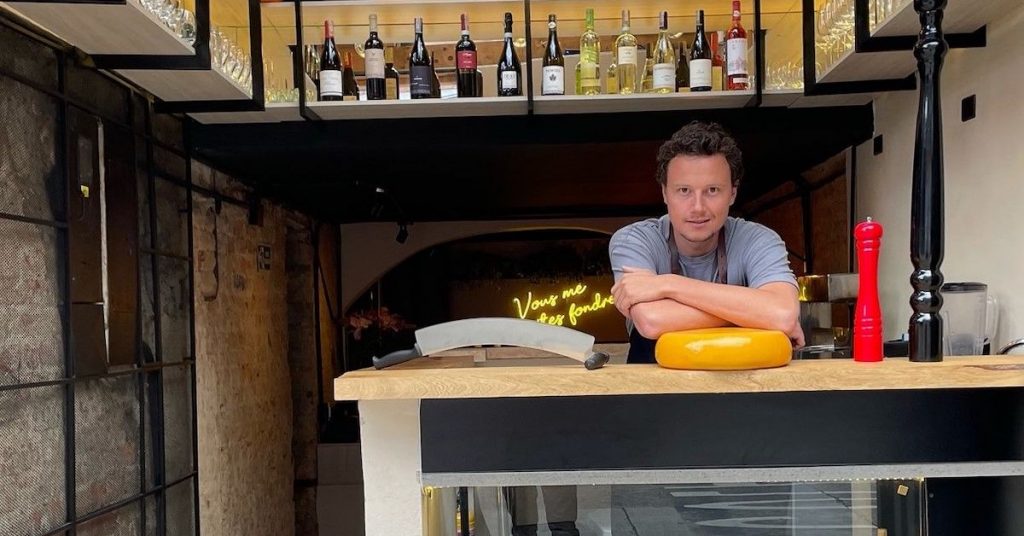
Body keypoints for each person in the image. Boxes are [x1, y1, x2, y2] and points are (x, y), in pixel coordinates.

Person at [609, 121, 803, 363]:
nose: (698, 207)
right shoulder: (634, 241)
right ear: (665, 193)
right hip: (655, 384)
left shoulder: (759, 240)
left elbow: (782, 313)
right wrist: (757, 314)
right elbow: (651, 321)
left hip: (742, 381)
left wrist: (668, 284)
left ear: (732, 193)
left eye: (712, 190)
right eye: (684, 191)